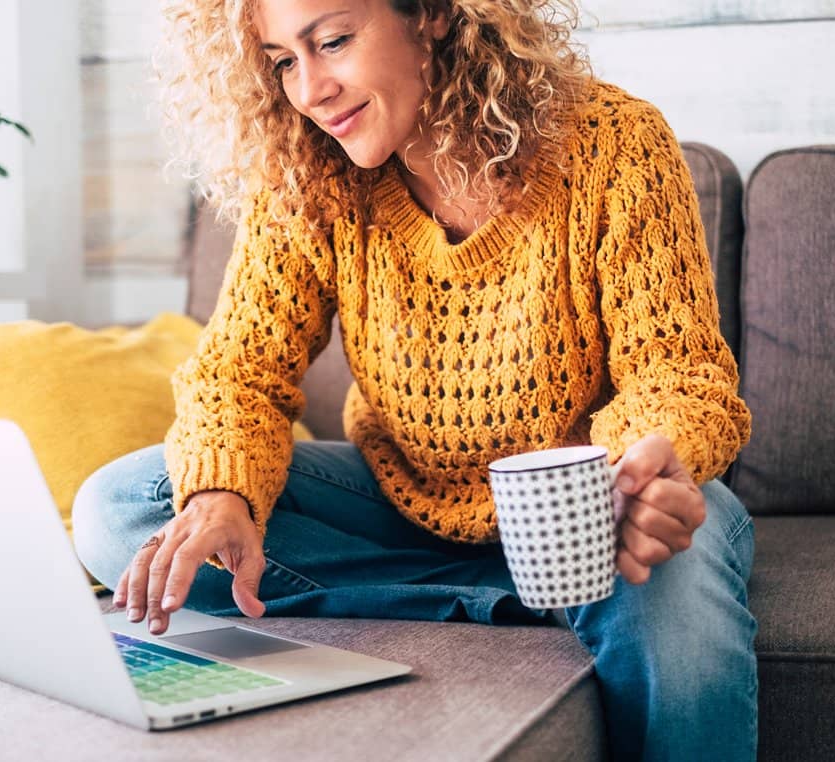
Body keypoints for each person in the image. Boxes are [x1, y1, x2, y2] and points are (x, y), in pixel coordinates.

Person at [73, 0, 757, 758]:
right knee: (119, 507)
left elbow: (678, 376)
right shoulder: (308, 171)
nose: (310, 90)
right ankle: (513, 601)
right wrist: (219, 496)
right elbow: (239, 374)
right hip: (404, 502)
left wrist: (641, 476)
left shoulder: (613, 144)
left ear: (432, 13)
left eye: (332, 42)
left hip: (591, 515)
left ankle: (548, 589)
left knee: (675, 591)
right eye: (283, 61)